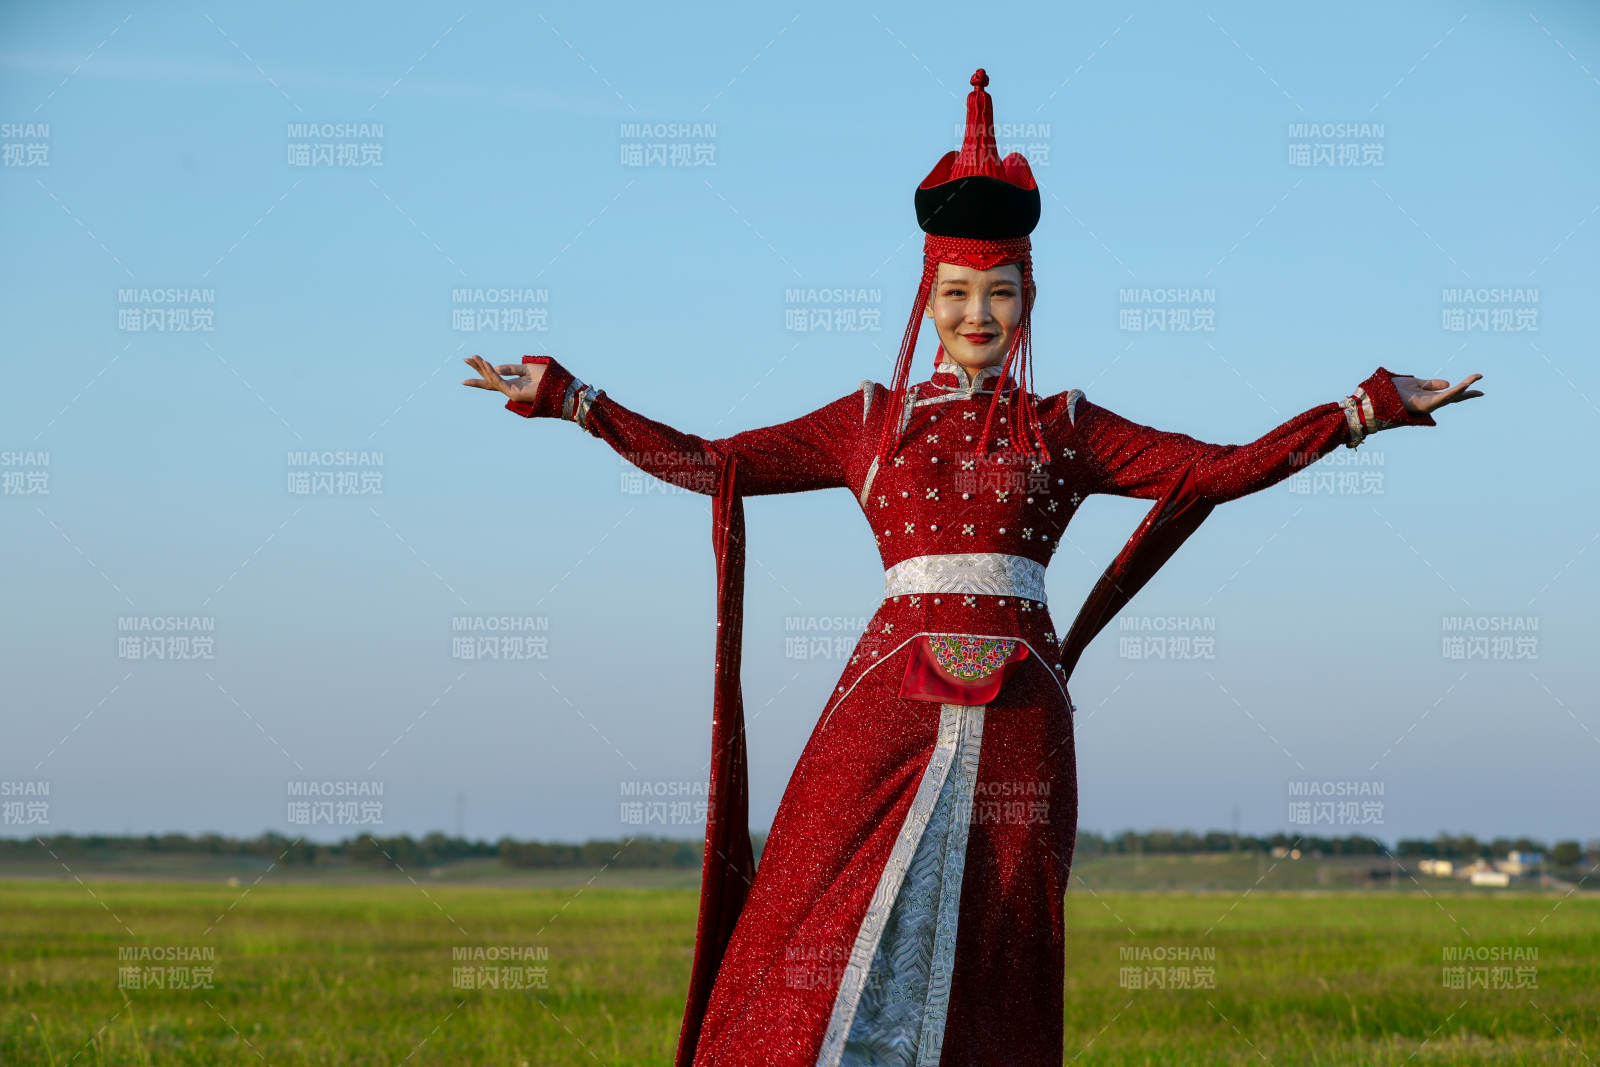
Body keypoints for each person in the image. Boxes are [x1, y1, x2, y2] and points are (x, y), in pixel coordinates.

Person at [462, 69, 1482, 1067]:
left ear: (1026, 297)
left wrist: (1359, 412)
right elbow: (715, 465)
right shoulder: (867, 421)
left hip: (1022, 720)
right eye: (957, 292)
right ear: (928, 293)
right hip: (882, 709)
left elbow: (1211, 472)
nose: (977, 315)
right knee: (813, 913)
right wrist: (578, 401)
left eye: (999, 293)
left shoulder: (1067, 428)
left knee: (1001, 932)